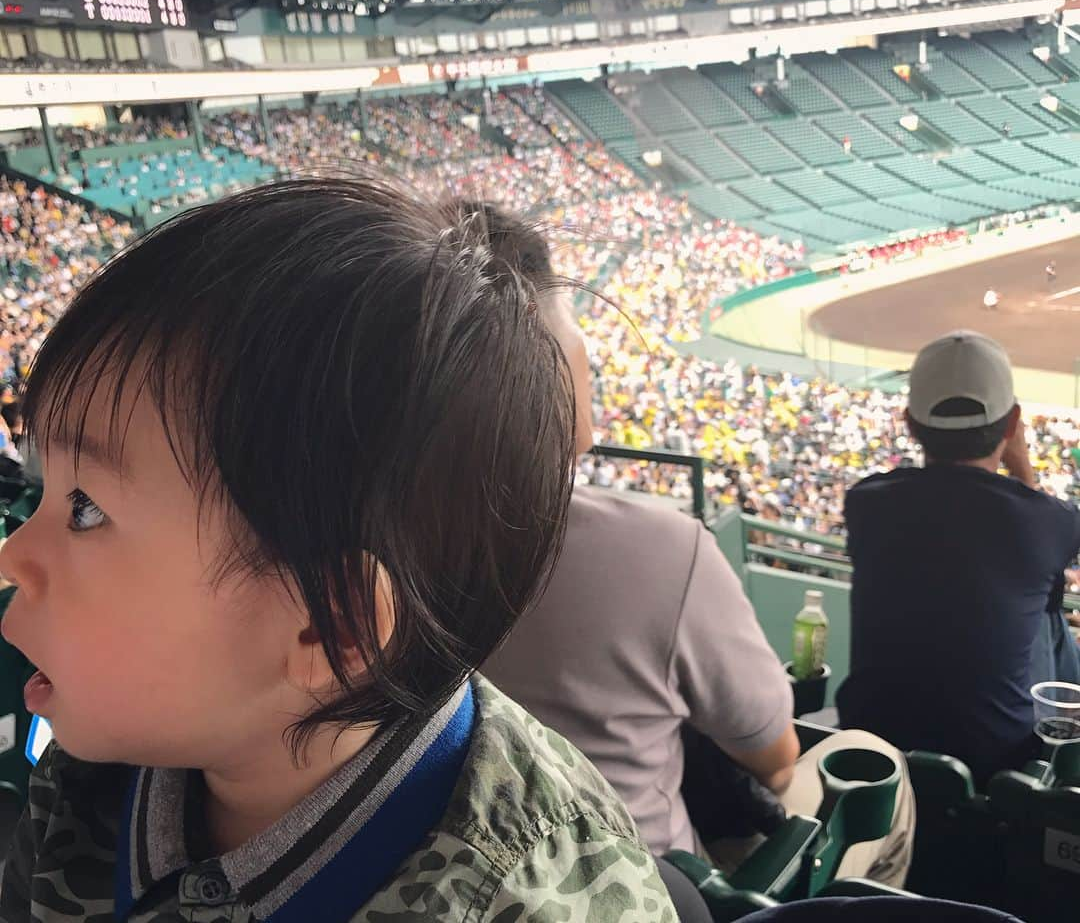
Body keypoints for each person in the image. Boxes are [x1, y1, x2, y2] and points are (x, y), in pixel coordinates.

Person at [0, 177, 675, 922]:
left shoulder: (534, 902)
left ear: (333, 626)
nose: (11, 556)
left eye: (86, 509)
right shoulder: (93, 770)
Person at [482, 205, 914, 886]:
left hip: (482, 879)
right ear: (554, 375)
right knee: (875, 766)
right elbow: (774, 758)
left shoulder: (363, 556)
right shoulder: (657, 549)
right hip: (655, 887)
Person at [838, 331, 1080, 784]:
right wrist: (1022, 465)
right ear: (1011, 427)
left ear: (909, 424)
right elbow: (1035, 525)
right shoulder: (1051, 523)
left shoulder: (866, 502)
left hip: (872, 749)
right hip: (992, 764)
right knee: (1049, 615)